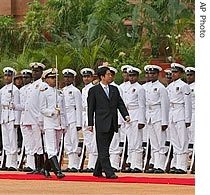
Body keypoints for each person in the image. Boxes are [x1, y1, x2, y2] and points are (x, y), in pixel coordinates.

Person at [87, 66, 130, 179]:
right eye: (108, 74)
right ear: (102, 77)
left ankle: (97, 170)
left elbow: (120, 103)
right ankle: (109, 171)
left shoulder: (114, 89)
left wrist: (125, 115)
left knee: (105, 147)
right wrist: (90, 123)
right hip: (101, 123)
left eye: (111, 74)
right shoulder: (94, 90)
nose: (110, 76)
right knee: (103, 148)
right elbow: (91, 108)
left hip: (112, 122)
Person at [39, 68, 66, 178]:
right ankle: (57, 171)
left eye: (55, 77)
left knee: (57, 148)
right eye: (52, 78)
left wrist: (65, 124)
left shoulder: (60, 92)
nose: (54, 80)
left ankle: (45, 169)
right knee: (51, 148)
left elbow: (63, 110)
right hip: (50, 123)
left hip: (59, 123)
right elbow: (42, 109)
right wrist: (52, 112)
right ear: (46, 80)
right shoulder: (44, 93)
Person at [144, 65, 169, 173]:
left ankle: (161, 165)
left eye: (153, 73)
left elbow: (165, 105)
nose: (151, 75)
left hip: (158, 115)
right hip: (149, 116)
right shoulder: (146, 87)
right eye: (149, 73)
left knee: (160, 142)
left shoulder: (161, 87)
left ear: (158, 75)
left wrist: (164, 121)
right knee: (154, 142)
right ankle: (155, 164)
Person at [167, 63, 192, 174]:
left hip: (181, 112)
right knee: (175, 140)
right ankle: (176, 164)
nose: (173, 74)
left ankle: (182, 166)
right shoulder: (170, 86)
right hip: (172, 113)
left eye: (176, 72)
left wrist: (187, 119)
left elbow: (188, 104)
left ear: (181, 74)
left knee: (182, 140)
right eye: (172, 72)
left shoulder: (184, 86)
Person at [121, 66, 146, 173]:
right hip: (128, 116)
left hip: (136, 115)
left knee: (137, 142)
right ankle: (131, 164)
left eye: (133, 76)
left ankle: (138, 165)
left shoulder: (140, 88)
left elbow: (142, 105)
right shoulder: (125, 88)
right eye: (130, 75)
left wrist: (141, 120)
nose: (131, 78)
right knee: (130, 142)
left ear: (137, 76)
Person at [25, 62, 48, 174]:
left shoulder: (43, 85)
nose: (34, 73)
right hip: (29, 118)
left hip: (37, 119)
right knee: (34, 143)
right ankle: (36, 166)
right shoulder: (31, 86)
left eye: (37, 71)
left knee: (40, 144)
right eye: (33, 71)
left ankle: (41, 167)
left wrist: (41, 119)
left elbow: (42, 104)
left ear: (41, 73)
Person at [62, 68, 82, 172]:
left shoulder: (75, 91)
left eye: (69, 77)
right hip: (64, 118)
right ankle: (70, 164)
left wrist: (79, 122)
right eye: (65, 77)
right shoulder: (62, 91)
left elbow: (79, 107)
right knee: (67, 141)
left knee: (74, 140)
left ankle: (75, 164)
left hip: (73, 117)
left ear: (73, 78)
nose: (67, 79)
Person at [0, 67, 20, 171]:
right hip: (4, 116)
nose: (7, 77)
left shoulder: (15, 90)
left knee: (12, 140)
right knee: (6, 141)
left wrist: (17, 121)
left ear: (12, 77)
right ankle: (7, 162)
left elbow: (17, 106)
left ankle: (13, 163)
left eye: (9, 76)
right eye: (6, 75)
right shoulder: (2, 90)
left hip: (11, 115)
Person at [14, 69, 34, 171]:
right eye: (24, 78)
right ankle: (29, 164)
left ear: (30, 78)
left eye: (27, 77)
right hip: (23, 118)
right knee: (26, 141)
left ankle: (32, 164)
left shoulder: (33, 88)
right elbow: (21, 106)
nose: (25, 79)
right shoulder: (21, 90)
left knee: (31, 141)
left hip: (31, 118)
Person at [79, 68, 98, 172]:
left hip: (92, 116)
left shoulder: (94, 88)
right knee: (88, 141)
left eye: (88, 76)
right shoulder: (84, 89)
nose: (86, 78)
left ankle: (93, 164)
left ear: (92, 77)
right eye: (84, 76)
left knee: (93, 141)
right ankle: (90, 164)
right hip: (84, 115)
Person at [185, 67, 195, 174]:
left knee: (193, 137)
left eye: (191, 75)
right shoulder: (184, 86)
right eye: (187, 75)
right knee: (187, 138)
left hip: (195, 113)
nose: (189, 77)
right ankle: (188, 162)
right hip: (186, 114)